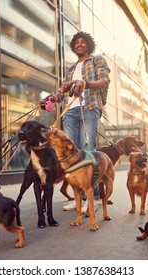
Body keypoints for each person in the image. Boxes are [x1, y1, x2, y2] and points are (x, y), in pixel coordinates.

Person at [47, 31, 111, 213]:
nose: (79, 44)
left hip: (89, 108)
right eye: (76, 42)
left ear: (88, 45)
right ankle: (78, 199)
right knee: (69, 154)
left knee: (89, 151)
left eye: (83, 42)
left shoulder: (97, 61)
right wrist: (52, 99)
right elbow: (63, 92)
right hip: (70, 112)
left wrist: (86, 84)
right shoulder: (70, 69)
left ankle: (93, 198)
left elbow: (105, 82)